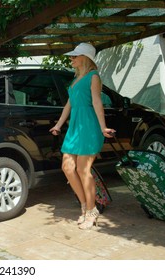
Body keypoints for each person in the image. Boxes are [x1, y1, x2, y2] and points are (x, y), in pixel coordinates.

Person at [49, 43, 115, 230]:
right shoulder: (76, 79)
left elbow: (96, 102)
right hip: (75, 128)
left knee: (83, 170)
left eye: (74, 56)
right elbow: (69, 105)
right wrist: (59, 125)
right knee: (67, 168)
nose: (71, 59)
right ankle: (85, 205)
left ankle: (92, 211)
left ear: (85, 58)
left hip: (88, 126)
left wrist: (103, 127)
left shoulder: (93, 77)